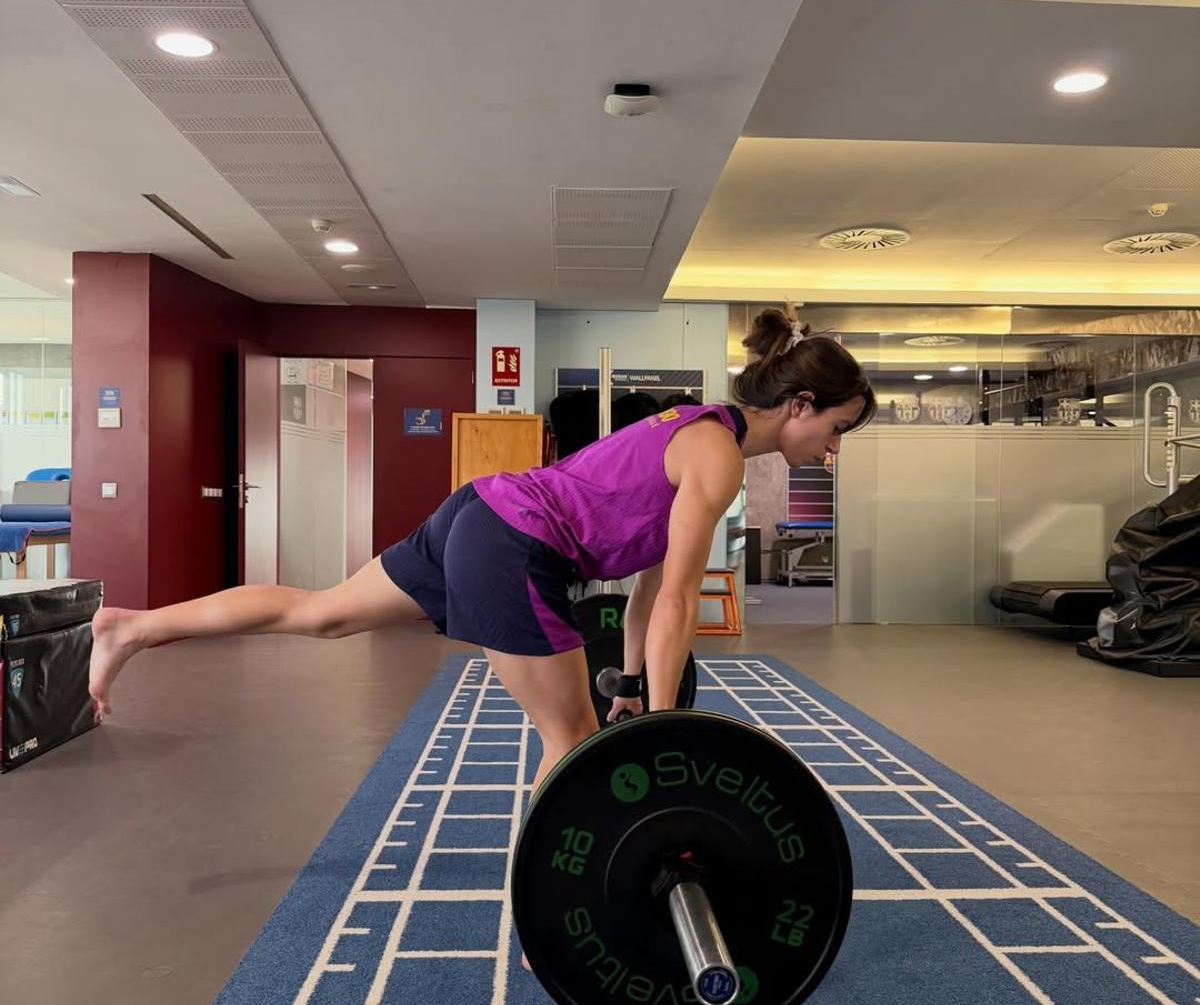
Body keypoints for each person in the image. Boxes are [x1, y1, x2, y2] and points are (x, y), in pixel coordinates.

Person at [88, 309, 874, 790]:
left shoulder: (698, 430)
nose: (833, 450)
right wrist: (665, 732)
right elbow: (675, 600)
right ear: (801, 405)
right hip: (517, 544)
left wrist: (636, 689)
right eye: (837, 429)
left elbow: (646, 593)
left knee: (322, 612)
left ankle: (134, 626)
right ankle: (549, 915)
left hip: (482, 510)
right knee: (571, 743)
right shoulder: (718, 456)